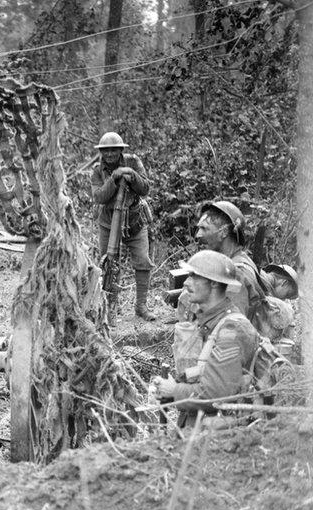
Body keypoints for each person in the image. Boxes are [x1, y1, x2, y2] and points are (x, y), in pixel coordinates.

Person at [153, 250, 259, 428]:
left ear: (215, 284)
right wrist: (169, 388)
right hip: (199, 429)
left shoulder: (232, 330)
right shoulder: (208, 322)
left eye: (194, 276)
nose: (186, 283)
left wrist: (174, 390)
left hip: (221, 438)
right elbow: (203, 374)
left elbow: (217, 393)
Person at [90, 131, 156, 323]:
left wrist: (131, 175)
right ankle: (111, 308)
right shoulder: (97, 170)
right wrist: (114, 178)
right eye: (106, 151)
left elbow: (145, 188)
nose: (109, 154)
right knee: (110, 266)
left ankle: (141, 306)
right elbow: (99, 197)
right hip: (109, 223)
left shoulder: (133, 162)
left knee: (143, 261)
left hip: (134, 220)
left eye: (113, 150)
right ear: (101, 152)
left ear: (121, 150)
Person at [193, 201, 267, 322]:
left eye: (204, 229)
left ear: (224, 232)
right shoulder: (232, 262)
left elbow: (233, 327)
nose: (198, 235)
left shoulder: (236, 274)